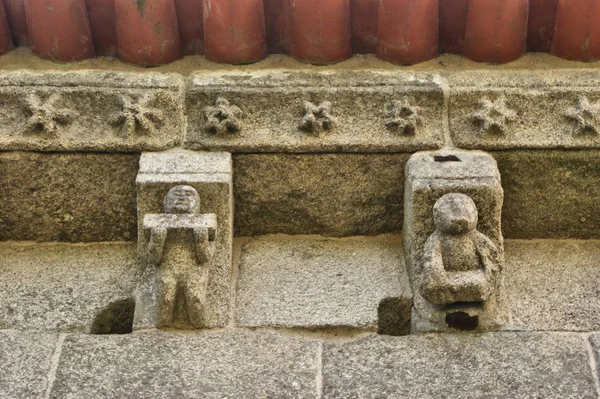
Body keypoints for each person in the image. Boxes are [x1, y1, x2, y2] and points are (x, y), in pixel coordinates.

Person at [420, 193, 501, 306]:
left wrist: (488, 273)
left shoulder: (477, 238)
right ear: (436, 217)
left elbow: (491, 257)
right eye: (452, 212)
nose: (459, 219)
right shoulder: (436, 240)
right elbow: (432, 263)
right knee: (431, 286)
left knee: (482, 284)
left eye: (464, 211)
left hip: (473, 276)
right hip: (446, 278)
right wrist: (440, 278)